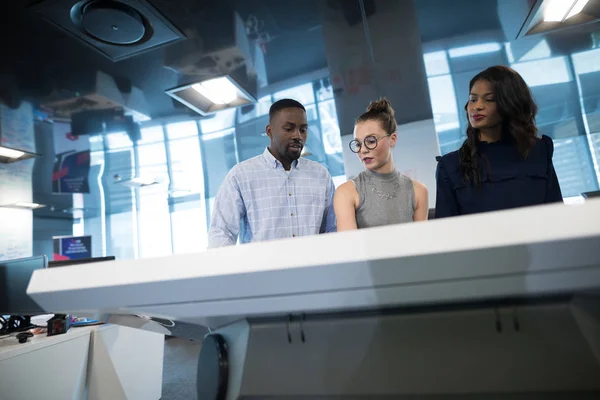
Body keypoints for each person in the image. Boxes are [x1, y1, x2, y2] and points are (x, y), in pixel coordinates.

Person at [435, 65, 563, 218]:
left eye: (489, 99)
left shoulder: (539, 151)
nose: (477, 107)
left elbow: (557, 215)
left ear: (510, 103)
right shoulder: (450, 166)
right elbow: (447, 233)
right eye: (473, 99)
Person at [208, 98, 336, 247]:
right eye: (289, 129)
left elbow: (333, 229)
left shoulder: (321, 175)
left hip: (316, 268)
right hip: (262, 269)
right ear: (270, 131)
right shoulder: (241, 176)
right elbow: (221, 233)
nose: (298, 136)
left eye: (303, 129)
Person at [334, 98, 429, 231]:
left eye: (371, 141)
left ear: (393, 139)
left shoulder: (419, 191)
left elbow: (423, 246)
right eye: (357, 144)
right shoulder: (346, 192)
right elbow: (351, 249)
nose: (363, 150)